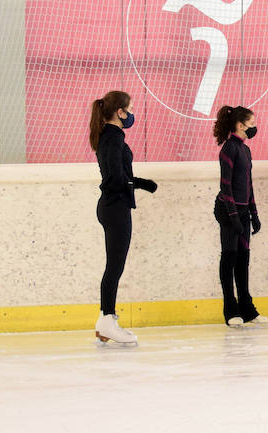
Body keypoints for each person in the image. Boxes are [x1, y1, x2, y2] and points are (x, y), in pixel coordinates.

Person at [90, 91, 156, 345]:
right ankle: (108, 319)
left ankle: (104, 319)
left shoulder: (111, 136)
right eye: (129, 108)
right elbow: (116, 179)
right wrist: (139, 183)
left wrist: (138, 183)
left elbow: (117, 176)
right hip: (115, 206)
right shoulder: (113, 138)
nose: (131, 114)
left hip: (113, 205)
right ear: (120, 111)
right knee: (115, 267)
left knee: (114, 266)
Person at [212, 105, 265, 327]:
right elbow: (226, 186)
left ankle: (247, 307)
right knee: (230, 256)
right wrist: (233, 216)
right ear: (240, 125)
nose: (254, 127)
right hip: (228, 210)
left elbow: (248, 185)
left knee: (244, 258)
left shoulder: (246, 150)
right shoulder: (229, 149)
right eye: (251, 124)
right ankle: (230, 309)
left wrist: (253, 213)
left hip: (242, 211)